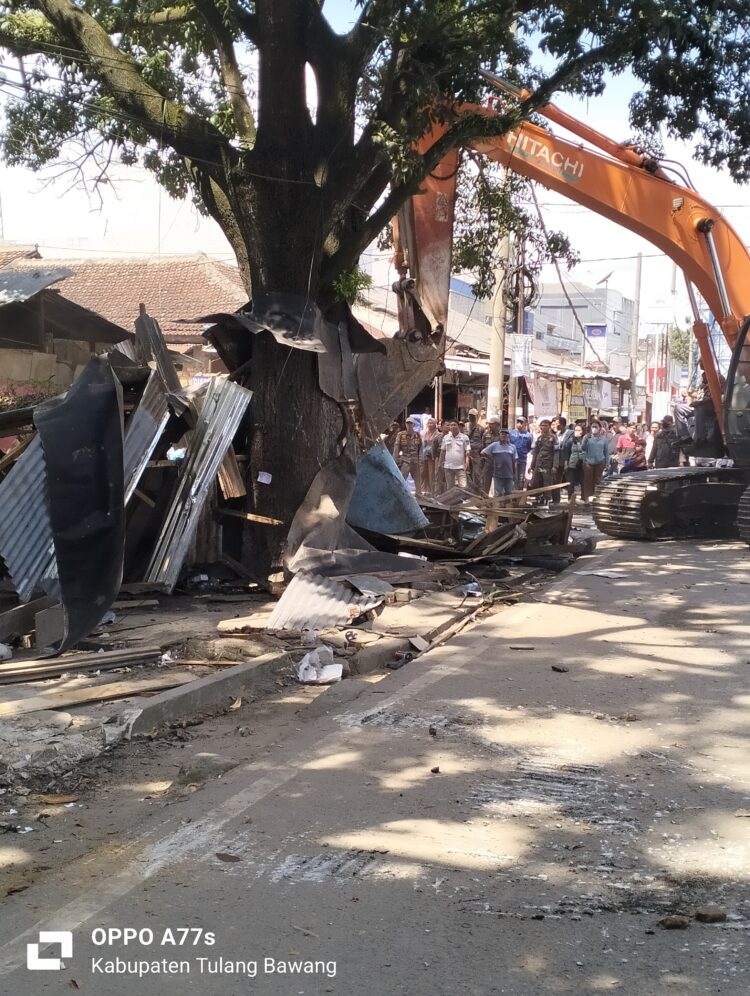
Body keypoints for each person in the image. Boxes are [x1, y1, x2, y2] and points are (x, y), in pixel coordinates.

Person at [528, 418, 560, 502]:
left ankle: (547, 499)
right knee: (536, 481)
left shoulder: (553, 438)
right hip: (539, 464)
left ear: (549, 427)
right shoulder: (539, 439)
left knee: (547, 482)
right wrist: (532, 465)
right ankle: (538, 498)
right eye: (542, 426)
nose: (543, 427)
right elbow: (535, 453)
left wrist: (555, 466)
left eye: (545, 425)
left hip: (547, 465)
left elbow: (556, 453)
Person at [481, 428, 517, 496]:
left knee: (509, 493)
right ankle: (498, 506)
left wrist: (514, 474)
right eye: (502, 434)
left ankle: (507, 506)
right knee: (498, 493)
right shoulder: (494, 445)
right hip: (498, 474)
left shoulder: (512, 447)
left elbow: (514, 462)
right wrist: (491, 458)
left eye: (505, 434)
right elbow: (482, 452)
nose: (503, 436)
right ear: (499, 436)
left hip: (509, 475)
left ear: (508, 436)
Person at [438, 420, 471, 489]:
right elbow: (443, 451)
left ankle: (463, 500)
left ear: (458, 426)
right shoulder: (446, 437)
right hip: (448, 466)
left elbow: (467, 452)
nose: (452, 426)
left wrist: (467, 462)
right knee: (450, 488)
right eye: (451, 425)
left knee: (463, 486)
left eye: (454, 425)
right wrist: (440, 463)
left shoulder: (464, 437)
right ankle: (451, 500)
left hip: (460, 467)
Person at [581, 420, 609, 500]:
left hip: (600, 463)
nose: (594, 428)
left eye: (596, 427)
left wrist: (607, 463)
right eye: (593, 427)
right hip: (588, 463)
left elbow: (606, 451)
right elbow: (583, 448)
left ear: (600, 428)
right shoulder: (587, 437)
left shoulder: (604, 439)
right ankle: (587, 498)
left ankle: (596, 497)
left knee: (598, 481)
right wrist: (586, 439)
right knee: (588, 481)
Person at [393, 417, 422, 490]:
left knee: (418, 481)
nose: (409, 425)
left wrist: (420, 460)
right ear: (405, 424)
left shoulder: (417, 435)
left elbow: (420, 448)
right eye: (407, 423)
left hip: (415, 461)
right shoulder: (401, 435)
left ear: (413, 424)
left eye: (411, 423)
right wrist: (394, 460)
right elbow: (396, 448)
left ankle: (419, 494)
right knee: (402, 479)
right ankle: (399, 493)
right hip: (405, 460)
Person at [510, 416, 533, 490]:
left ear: (525, 424)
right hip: (512, 459)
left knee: (521, 477)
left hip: (522, 459)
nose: (519, 424)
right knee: (513, 477)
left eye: (521, 422)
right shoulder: (512, 433)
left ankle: (519, 496)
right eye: (518, 422)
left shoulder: (528, 435)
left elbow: (529, 447)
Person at [419, 417, 441, 495]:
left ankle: (431, 492)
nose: (429, 424)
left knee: (431, 474)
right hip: (423, 456)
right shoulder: (422, 433)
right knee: (422, 473)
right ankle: (421, 491)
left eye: (431, 423)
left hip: (432, 457)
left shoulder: (438, 434)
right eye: (428, 423)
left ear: (435, 424)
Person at [481, 415, 502, 491]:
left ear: (497, 424)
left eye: (492, 424)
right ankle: (485, 500)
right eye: (489, 424)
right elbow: (483, 447)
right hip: (488, 462)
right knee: (485, 482)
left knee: (498, 483)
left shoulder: (503, 435)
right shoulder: (486, 434)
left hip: (499, 463)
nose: (489, 425)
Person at [564, 423, 585, 498]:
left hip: (583, 464)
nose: (577, 431)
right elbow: (567, 453)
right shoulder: (570, 441)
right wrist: (566, 464)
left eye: (579, 430)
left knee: (583, 482)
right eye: (575, 430)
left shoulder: (585, 440)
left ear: (582, 431)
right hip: (572, 464)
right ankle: (570, 498)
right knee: (571, 482)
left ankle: (584, 497)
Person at [465, 409, 485, 490]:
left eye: (473, 416)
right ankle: (468, 489)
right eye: (470, 415)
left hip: (476, 453)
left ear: (476, 417)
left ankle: (477, 489)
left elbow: (482, 441)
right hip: (466, 453)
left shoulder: (481, 428)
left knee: (477, 472)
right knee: (466, 472)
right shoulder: (465, 426)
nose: (471, 417)